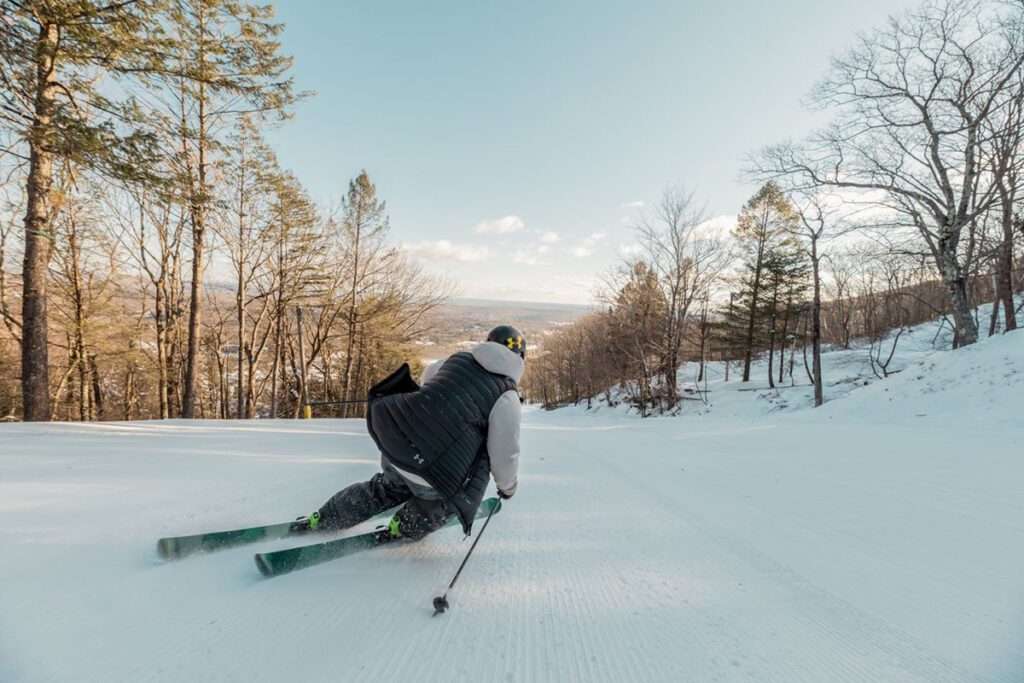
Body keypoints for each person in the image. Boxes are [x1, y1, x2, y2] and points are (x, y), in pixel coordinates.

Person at [301, 324, 525, 543]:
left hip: (398, 446)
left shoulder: (457, 359)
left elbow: (428, 378)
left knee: (385, 488)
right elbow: (504, 453)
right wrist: (507, 488)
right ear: (520, 358)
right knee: (446, 502)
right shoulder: (507, 396)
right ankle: (403, 526)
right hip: (432, 471)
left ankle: (324, 518)